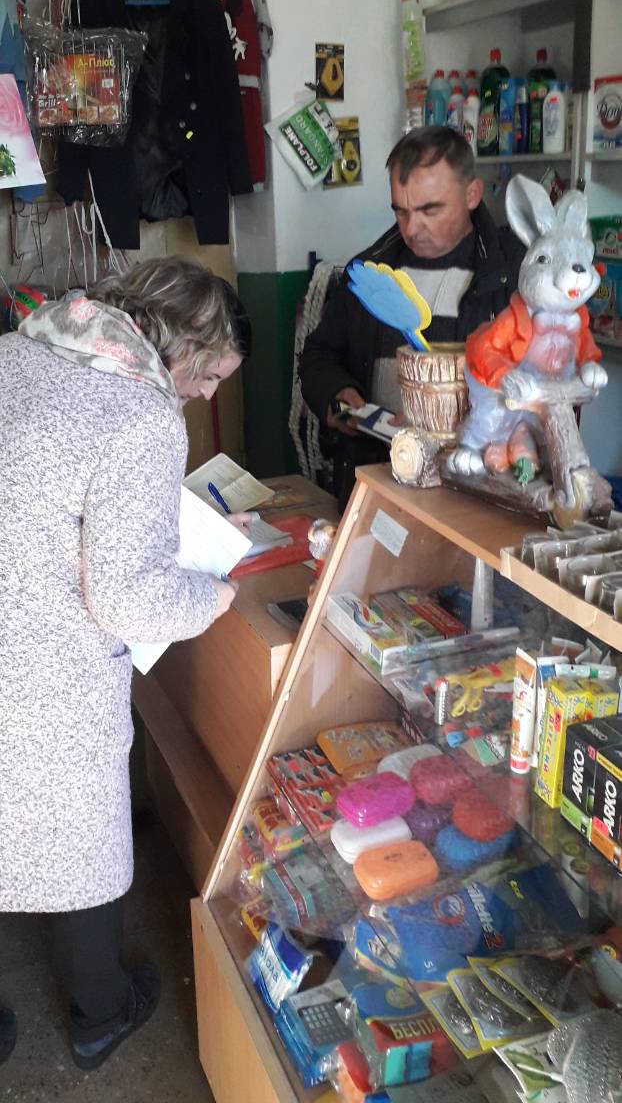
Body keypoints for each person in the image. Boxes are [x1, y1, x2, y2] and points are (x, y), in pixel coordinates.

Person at [0, 258, 251, 1071]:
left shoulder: (22, 349)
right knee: (78, 837)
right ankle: (101, 1014)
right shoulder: (141, 413)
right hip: (49, 670)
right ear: (186, 345)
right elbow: (128, 599)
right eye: (211, 374)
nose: (205, 394)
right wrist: (212, 596)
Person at [299, 126, 524, 509]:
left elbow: (545, 383)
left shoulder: (512, 274)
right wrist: (338, 399)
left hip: (477, 488)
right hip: (377, 477)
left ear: (471, 195)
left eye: (429, 210)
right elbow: (318, 356)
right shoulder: (369, 272)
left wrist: (448, 418)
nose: (411, 228)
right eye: (400, 211)